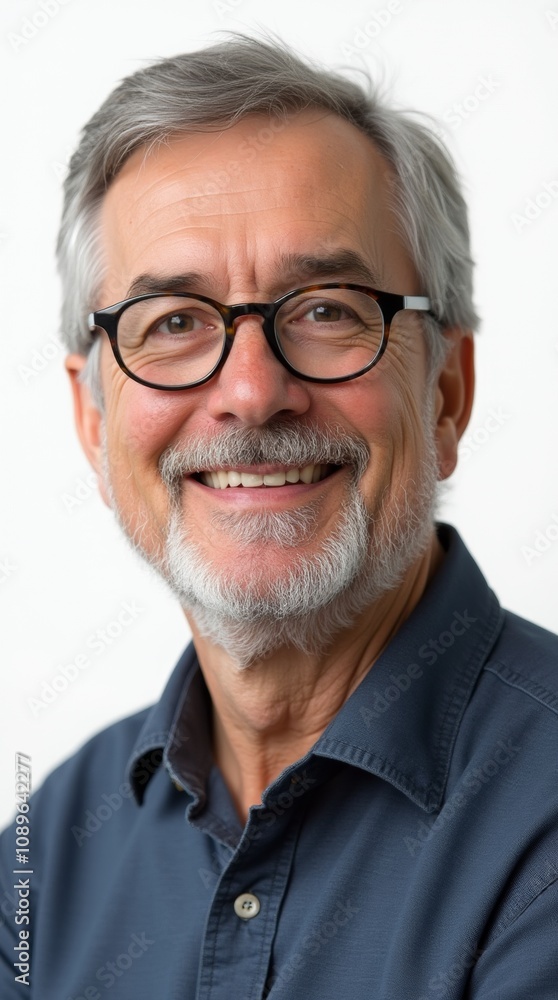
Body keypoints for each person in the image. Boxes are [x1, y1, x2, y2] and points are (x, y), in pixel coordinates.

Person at [1, 35, 557, 999]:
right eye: (173, 322)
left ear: (447, 395)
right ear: (94, 421)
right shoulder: (45, 854)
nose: (253, 393)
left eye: (329, 310)